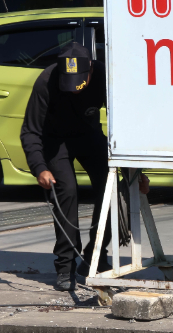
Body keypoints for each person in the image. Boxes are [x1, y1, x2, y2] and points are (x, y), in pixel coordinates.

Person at [20, 41, 147, 291]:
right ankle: (65, 265)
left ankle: (95, 255)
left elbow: (125, 123)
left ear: (90, 70)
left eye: (80, 83)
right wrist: (39, 168)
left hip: (89, 135)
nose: (75, 90)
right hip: (56, 141)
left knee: (111, 188)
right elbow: (30, 131)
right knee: (66, 191)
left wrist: (136, 171)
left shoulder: (104, 77)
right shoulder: (45, 82)